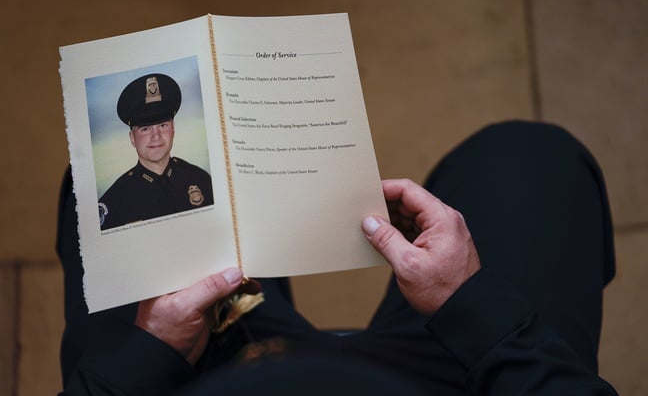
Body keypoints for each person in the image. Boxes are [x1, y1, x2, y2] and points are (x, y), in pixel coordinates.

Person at [57, 121, 618, 395]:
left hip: (194, 375)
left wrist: (149, 355)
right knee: (530, 158)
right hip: (455, 384)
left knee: (97, 193)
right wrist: (475, 311)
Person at [98, 73, 214, 230]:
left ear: (173, 129)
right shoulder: (115, 200)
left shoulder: (202, 181)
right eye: (145, 129)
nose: (156, 136)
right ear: (132, 138)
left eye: (163, 125)